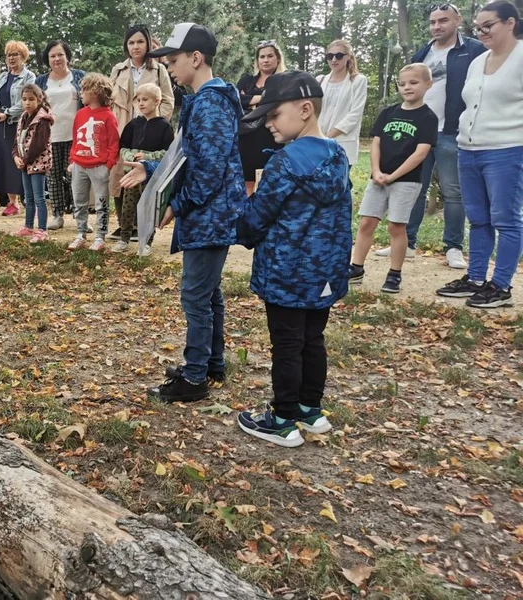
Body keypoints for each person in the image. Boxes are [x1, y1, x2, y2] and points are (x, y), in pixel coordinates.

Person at [121, 23, 246, 403]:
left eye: (174, 60)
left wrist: (175, 204)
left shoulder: (210, 103)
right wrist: (153, 169)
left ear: (196, 58)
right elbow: (188, 159)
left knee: (195, 295)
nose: (170, 68)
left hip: (211, 214)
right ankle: (212, 364)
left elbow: (207, 171)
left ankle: (194, 379)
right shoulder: (204, 100)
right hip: (209, 213)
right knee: (208, 293)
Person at [234, 71, 352, 447]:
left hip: (286, 272)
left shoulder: (286, 162)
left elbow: (258, 217)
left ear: (304, 109)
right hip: (325, 274)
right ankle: (310, 410)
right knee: (312, 340)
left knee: (286, 343)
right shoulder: (338, 155)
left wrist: (239, 224)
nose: (268, 123)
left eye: (274, 115)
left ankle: (283, 418)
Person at [378, 3, 485, 269]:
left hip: (452, 131)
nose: (437, 26)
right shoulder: (422, 52)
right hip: (421, 130)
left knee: (453, 191)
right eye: (433, 22)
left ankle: (453, 247)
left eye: (443, 21)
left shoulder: (473, 50)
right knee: (414, 188)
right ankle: (407, 242)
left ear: (458, 20)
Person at [436, 0, 523, 309]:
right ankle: (474, 279)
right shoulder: (477, 61)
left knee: (507, 219)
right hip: (469, 148)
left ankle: (500, 286)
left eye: (488, 25)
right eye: (478, 27)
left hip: (507, 150)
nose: (482, 32)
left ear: (510, 23)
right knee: (478, 218)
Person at [348, 64, 437, 294]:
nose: (407, 87)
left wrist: (393, 176)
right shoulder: (388, 112)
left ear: (428, 84)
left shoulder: (428, 117)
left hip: (406, 181)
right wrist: (376, 171)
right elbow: (376, 143)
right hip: (378, 178)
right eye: (403, 83)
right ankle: (356, 268)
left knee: (396, 226)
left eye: (414, 82)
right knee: (367, 222)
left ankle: (394, 274)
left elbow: (421, 153)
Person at [109, 25, 174, 233]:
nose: (135, 47)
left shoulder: (159, 69)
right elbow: (109, 100)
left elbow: (168, 100)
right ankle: (124, 225)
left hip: (150, 130)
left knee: (145, 175)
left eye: (140, 42)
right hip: (124, 128)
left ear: (148, 43)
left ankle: (142, 225)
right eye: (131, 42)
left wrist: (156, 122)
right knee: (120, 175)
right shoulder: (118, 69)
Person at [112, 84, 174, 253]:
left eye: (145, 99)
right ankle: (124, 239)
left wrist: (147, 156)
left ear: (157, 101)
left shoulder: (164, 126)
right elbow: (123, 147)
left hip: (151, 176)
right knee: (128, 208)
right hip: (131, 174)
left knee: (148, 208)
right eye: (138, 100)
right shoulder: (133, 124)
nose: (141, 103)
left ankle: (146, 242)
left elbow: (167, 152)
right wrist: (132, 156)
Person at [35, 40, 85, 229]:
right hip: (50, 136)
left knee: (77, 176)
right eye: (52, 56)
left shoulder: (80, 76)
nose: (57, 59)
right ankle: (57, 215)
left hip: (77, 136)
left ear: (67, 57)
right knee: (53, 176)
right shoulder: (40, 81)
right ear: (48, 59)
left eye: (60, 54)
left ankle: (80, 217)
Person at [67, 73, 119, 251]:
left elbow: (114, 143)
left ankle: (100, 236)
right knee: (79, 201)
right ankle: (81, 233)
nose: (81, 93)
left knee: (101, 202)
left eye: (84, 90)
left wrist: (108, 165)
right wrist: (72, 160)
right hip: (79, 165)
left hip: (99, 167)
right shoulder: (80, 114)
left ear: (95, 92)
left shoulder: (108, 116)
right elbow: (75, 139)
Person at [0, 41, 36, 216]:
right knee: (6, 162)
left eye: (15, 54)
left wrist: (7, 113)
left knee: (23, 160)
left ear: (23, 57)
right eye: (9, 55)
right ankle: (12, 203)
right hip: (1, 126)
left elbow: (27, 100)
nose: (11, 58)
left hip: (20, 123)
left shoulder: (29, 77)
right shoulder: (2, 76)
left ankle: (30, 201)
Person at [237, 40, 286, 195]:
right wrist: (261, 99)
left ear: (278, 58)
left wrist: (249, 100)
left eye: (270, 56)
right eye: (262, 56)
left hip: (269, 136)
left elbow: (277, 105)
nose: (265, 60)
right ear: (257, 60)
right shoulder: (247, 79)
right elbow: (235, 100)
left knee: (267, 183)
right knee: (245, 182)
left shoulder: (283, 81)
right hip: (245, 138)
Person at [12, 84, 54, 243]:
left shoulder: (43, 120)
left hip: (38, 164)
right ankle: (28, 226)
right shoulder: (23, 117)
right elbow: (16, 140)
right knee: (28, 197)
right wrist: (15, 155)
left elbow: (39, 145)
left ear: (39, 99)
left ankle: (42, 229)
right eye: (24, 99)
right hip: (24, 163)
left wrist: (25, 160)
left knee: (39, 198)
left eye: (31, 99)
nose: (27, 103)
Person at [317, 39, 368, 168]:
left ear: (348, 57)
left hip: (342, 144)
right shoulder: (320, 80)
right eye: (330, 56)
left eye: (339, 55)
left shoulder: (358, 81)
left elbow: (354, 115)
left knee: (338, 186)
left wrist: (328, 137)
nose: (334, 59)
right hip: (318, 144)